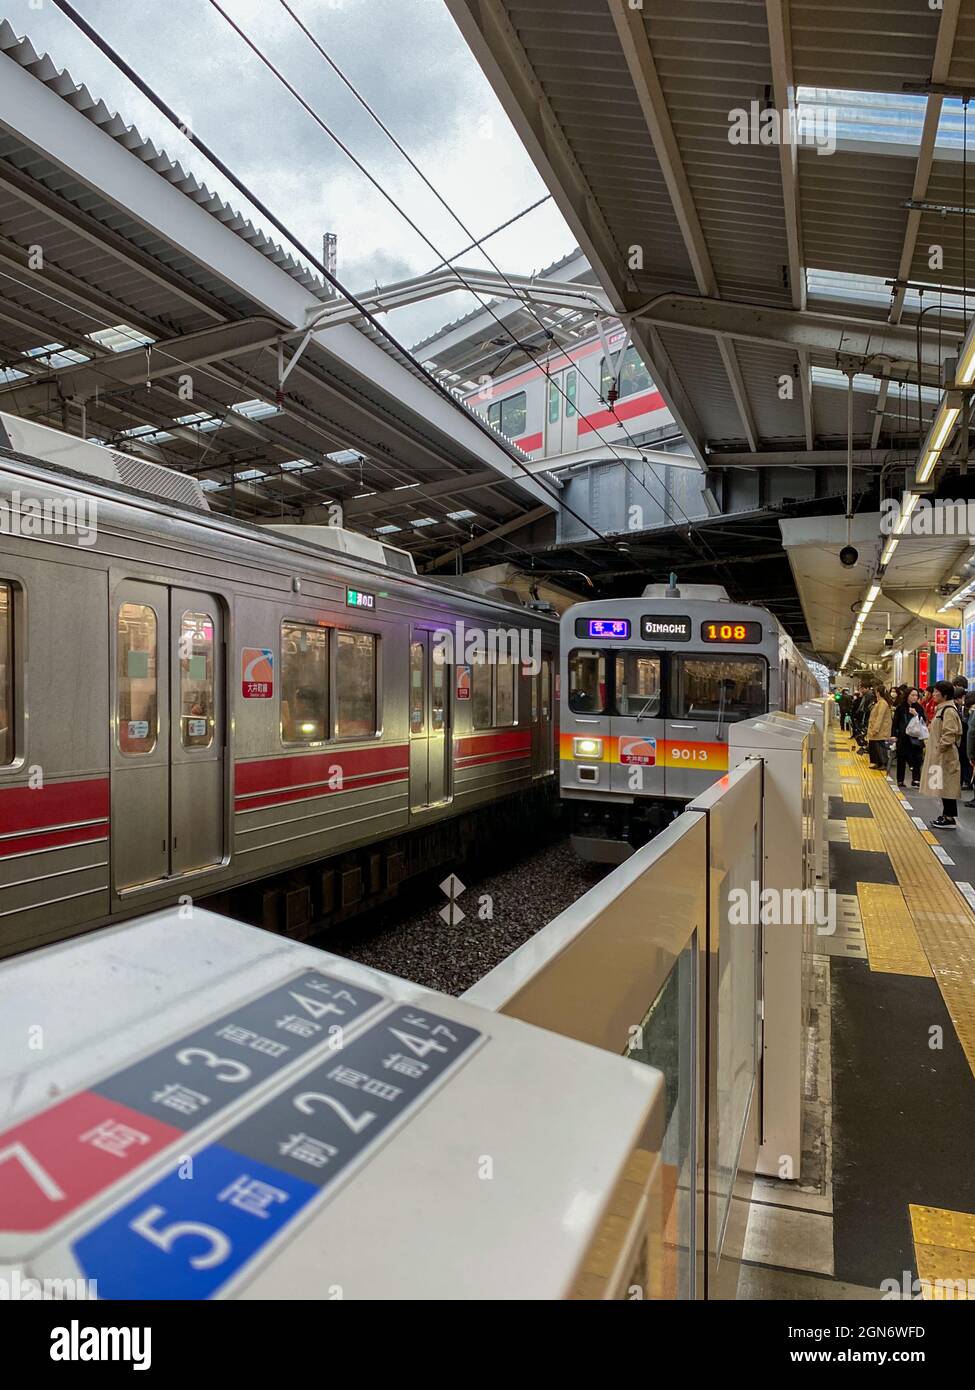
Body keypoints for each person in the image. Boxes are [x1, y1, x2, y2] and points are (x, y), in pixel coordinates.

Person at [920, 680, 963, 828]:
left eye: (937, 692)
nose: (934, 694)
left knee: (947, 786)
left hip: (946, 756)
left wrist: (940, 749)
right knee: (943, 786)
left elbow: (949, 734)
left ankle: (949, 818)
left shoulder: (948, 711)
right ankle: (947, 815)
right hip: (942, 755)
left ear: (944, 695)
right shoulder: (943, 709)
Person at [892, 687, 925, 788]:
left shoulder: (919, 708)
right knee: (901, 759)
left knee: (917, 758)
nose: (915, 697)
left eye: (916, 696)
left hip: (915, 737)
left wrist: (916, 715)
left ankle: (916, 779)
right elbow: (895, 722)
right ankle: (900, 780)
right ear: (907, 695)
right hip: (903, 738)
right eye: (913, 695)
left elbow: (923, 721)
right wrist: (894, 735)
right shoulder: (901, 707)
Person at [866, 685, 893, 769]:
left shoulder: (882, 703)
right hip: (878, 730)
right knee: (874, 747)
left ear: (878, 693)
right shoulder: (880, 702)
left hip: (880, 730)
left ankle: (883, 763)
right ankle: (877, 763)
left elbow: (879, 717)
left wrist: (875, 729)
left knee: (879, 748)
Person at [955, 682, 972, 791]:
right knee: (961, 760)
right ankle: (960, 780)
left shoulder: (969, 710)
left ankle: (967, 781)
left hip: (967, 739)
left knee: (966, 761)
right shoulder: (956, 708)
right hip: (961, 739)